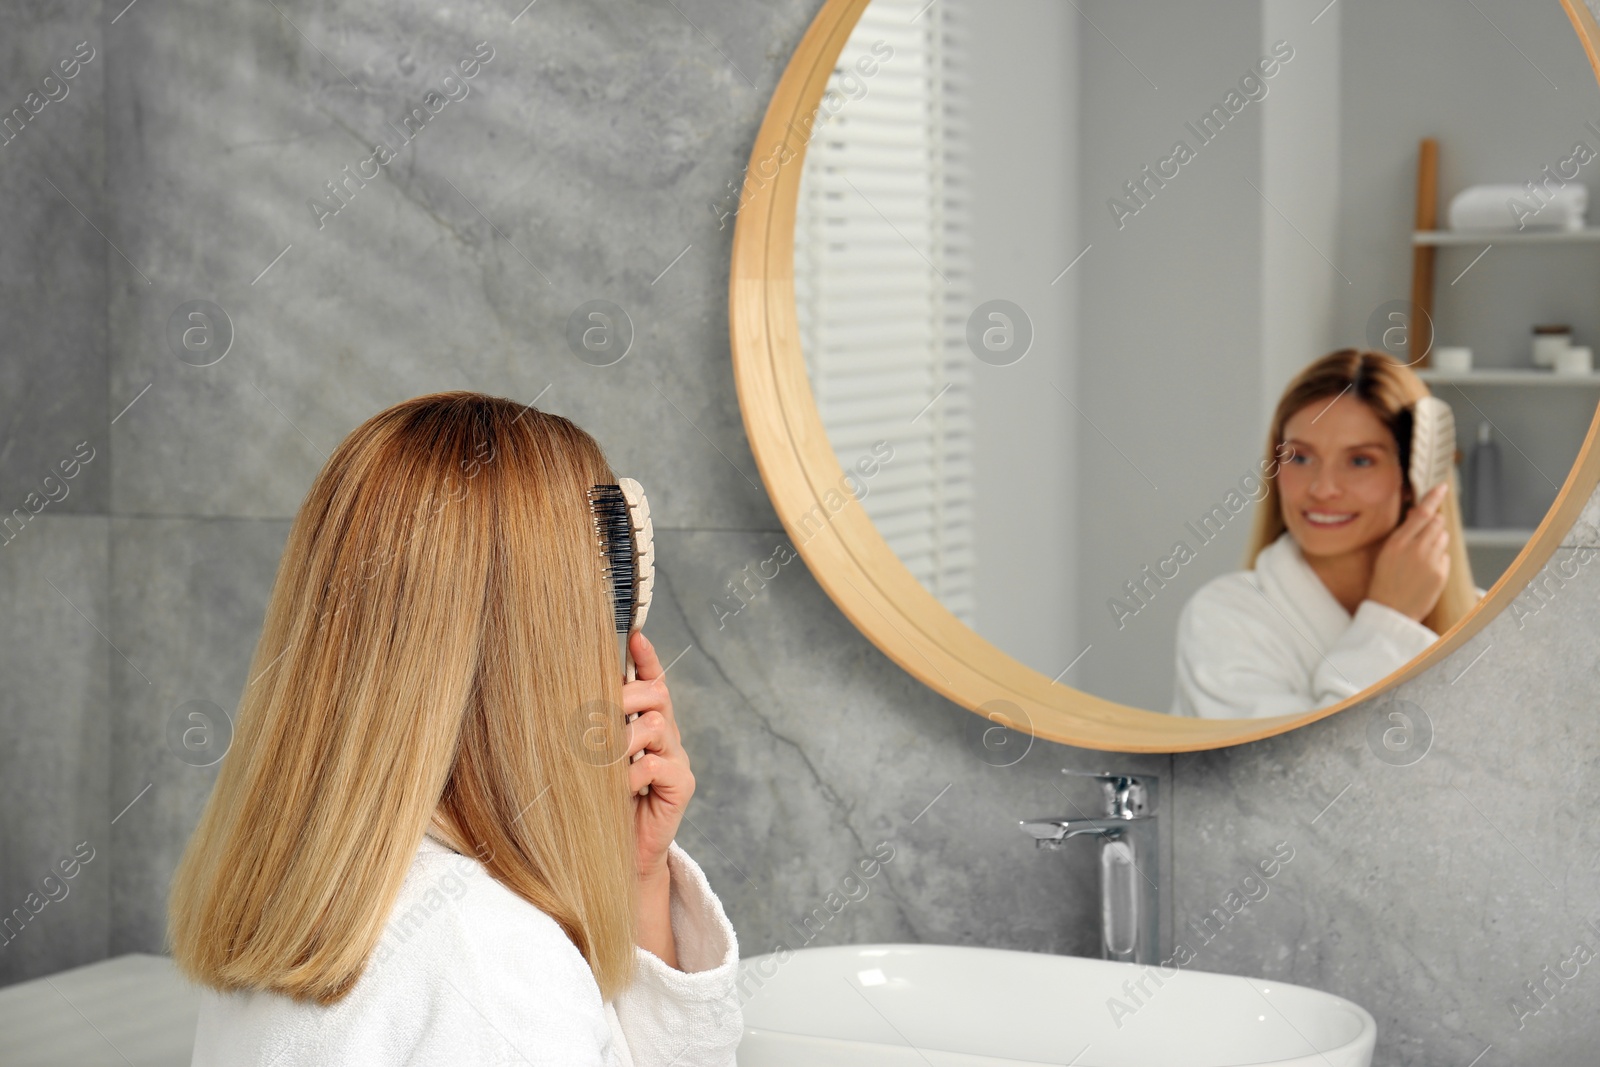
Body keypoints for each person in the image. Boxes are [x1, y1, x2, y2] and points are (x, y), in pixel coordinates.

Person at [168, 392, 743, 1064]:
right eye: (593, 613)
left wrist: (638, 880)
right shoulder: (499, 970)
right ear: (547, 648)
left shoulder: (298, 909)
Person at [1170, 350, 1480, 719]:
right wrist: (1389, 621)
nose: (1322, 488)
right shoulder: (1224, 619)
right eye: (1300, 458)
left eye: (1360, 460)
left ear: (1416, 480)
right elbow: (1302, 775)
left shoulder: (1484, 623)